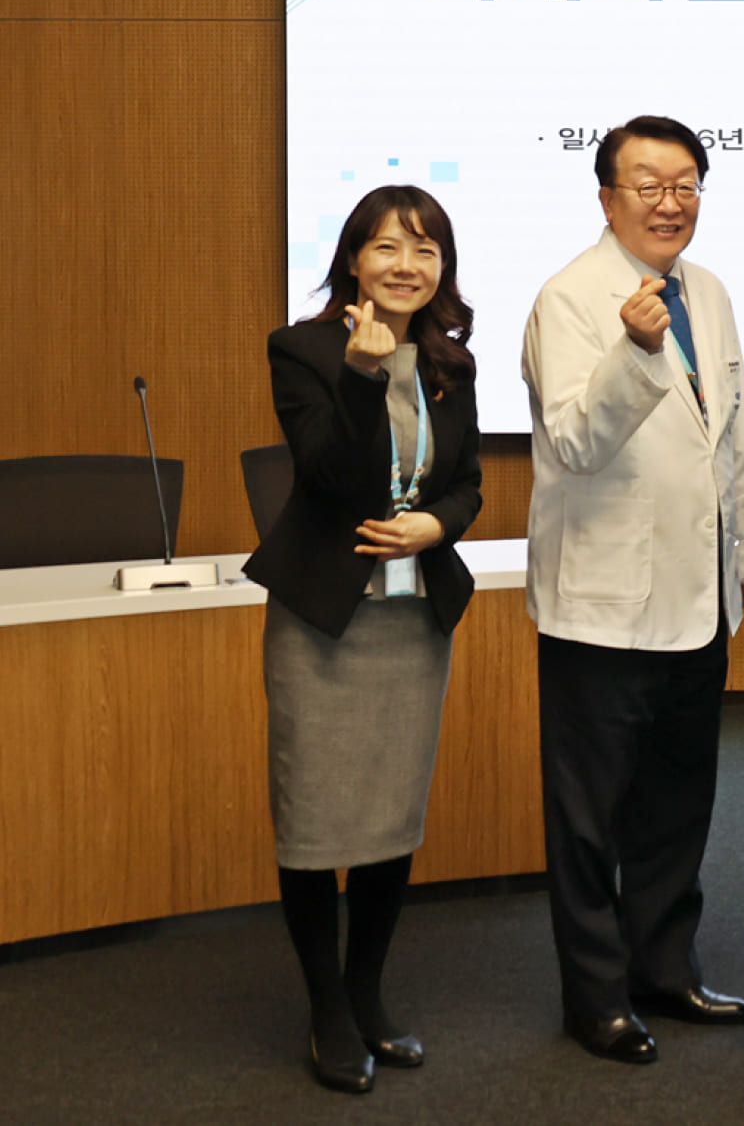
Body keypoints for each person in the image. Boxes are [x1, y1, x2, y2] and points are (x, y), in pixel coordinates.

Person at [522, 114, 744, 1064]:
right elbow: (575, 441)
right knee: (590, 819)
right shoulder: (570, 298)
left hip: (699, 599)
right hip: (602, 607)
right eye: (649, 185)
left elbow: (731, 438)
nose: (671, 203)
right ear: (607, 198)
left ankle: (665, 969)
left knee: (676, 802)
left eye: (686, 184)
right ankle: (595, 997)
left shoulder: (710, 289)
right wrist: (632, 350)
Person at [244, 184, 483, 1094]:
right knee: (312, 819)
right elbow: (325, 474)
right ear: (354, 259)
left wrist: (437, 526)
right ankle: (327, 1012)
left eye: (425, 251)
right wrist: (359, 373)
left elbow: (466, 483)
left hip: (412, 623)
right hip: (325, 622)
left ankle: (367, 994)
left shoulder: (451, 362)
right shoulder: (302, 349)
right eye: (388, 247)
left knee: (390, 815)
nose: (405, 266)